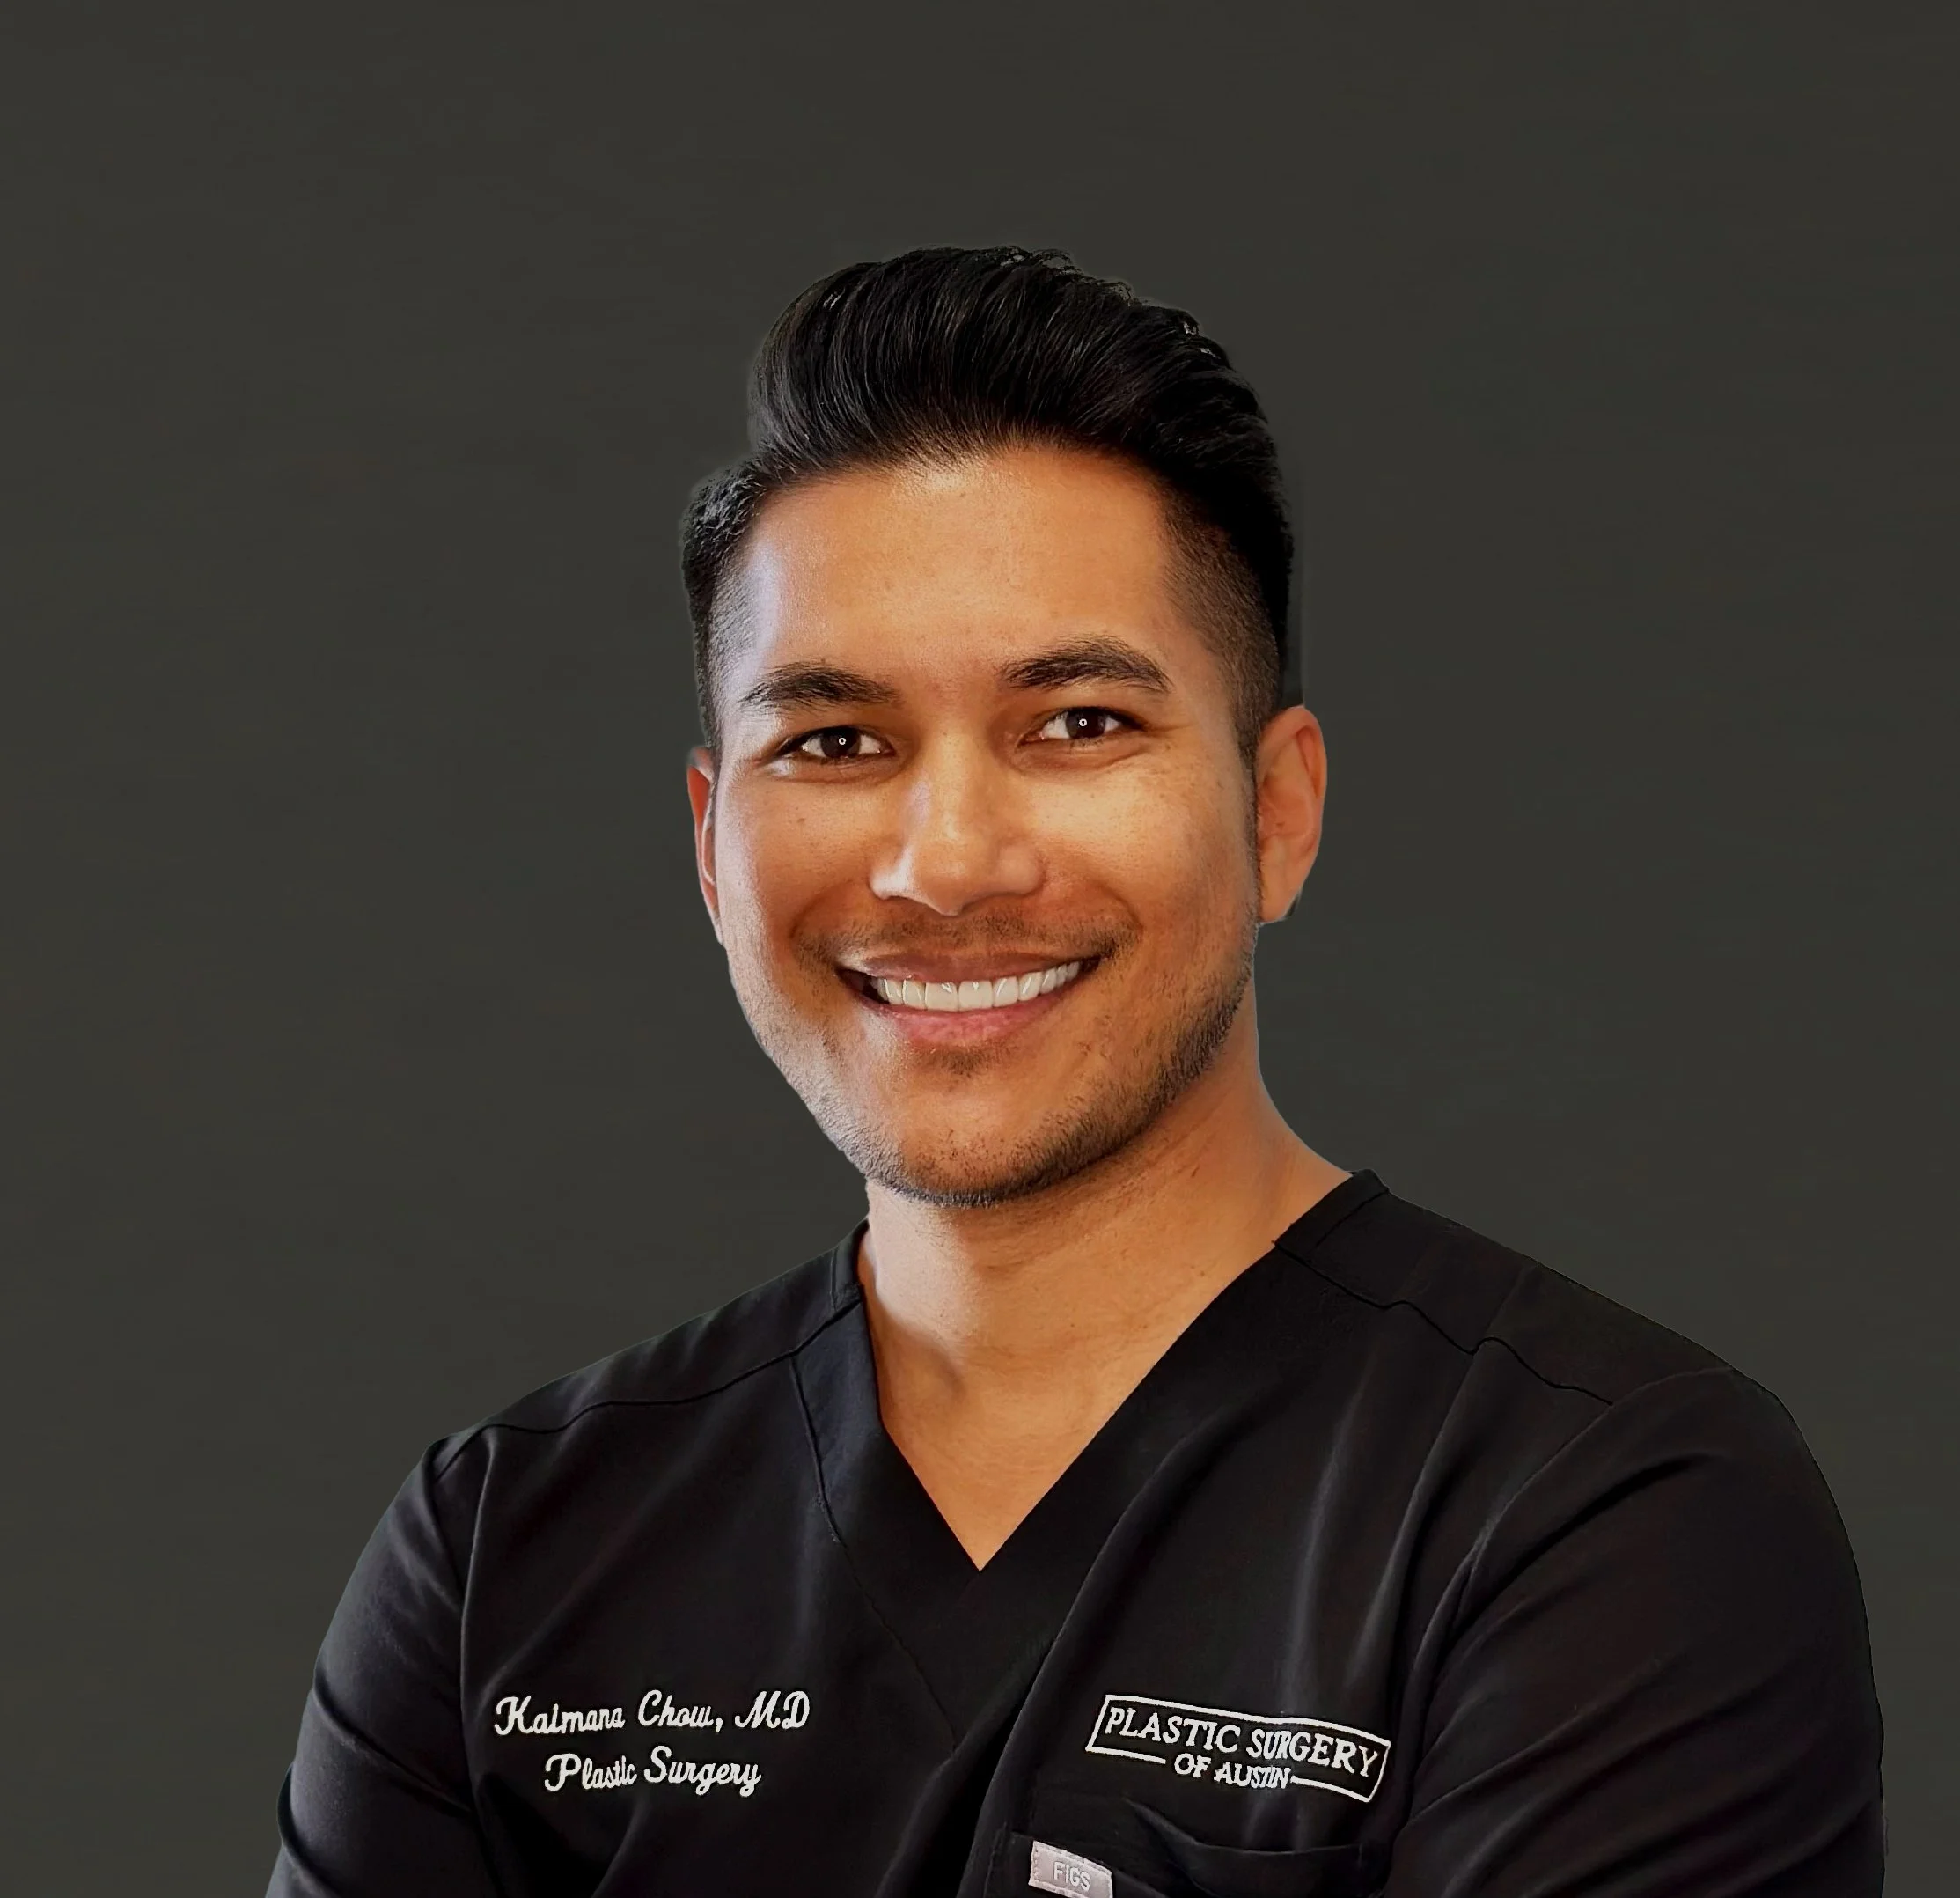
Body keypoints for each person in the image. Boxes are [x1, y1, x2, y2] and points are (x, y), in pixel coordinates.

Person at [268, 246, 1883, 1897]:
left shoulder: (1595, 1504)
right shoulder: (508, 1546)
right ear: (709, 848)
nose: (945, 863)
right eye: (833, 742)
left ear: (1276, 811)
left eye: (1079, 723)